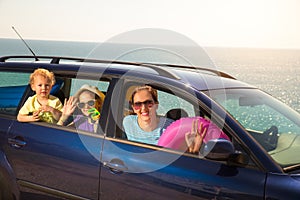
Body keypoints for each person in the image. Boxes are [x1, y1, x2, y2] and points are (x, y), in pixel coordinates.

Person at [123, 85, 208, 153]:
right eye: (138, 104)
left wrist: (194, 151)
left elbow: (177, 159)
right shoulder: (128, 122)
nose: (143, 108)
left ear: (156, 105)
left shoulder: (170, 128)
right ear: (133, 108)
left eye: (148, 103)